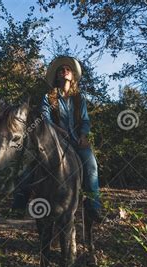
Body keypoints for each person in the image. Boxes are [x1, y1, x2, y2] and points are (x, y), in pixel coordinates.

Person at [10, 56, 103, 222]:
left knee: (92, 166)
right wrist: (58, 130)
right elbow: (45, 118)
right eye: (61, 70)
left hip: (76, 140)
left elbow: (85, 120)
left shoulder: (79, 99)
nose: (64, 71)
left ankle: (93, 207)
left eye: (68, 69)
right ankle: (18, 205)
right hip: (54, 139)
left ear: (72, 76)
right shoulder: (49, 97)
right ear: (57, 76)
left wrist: (83, 135)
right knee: (29, 164)